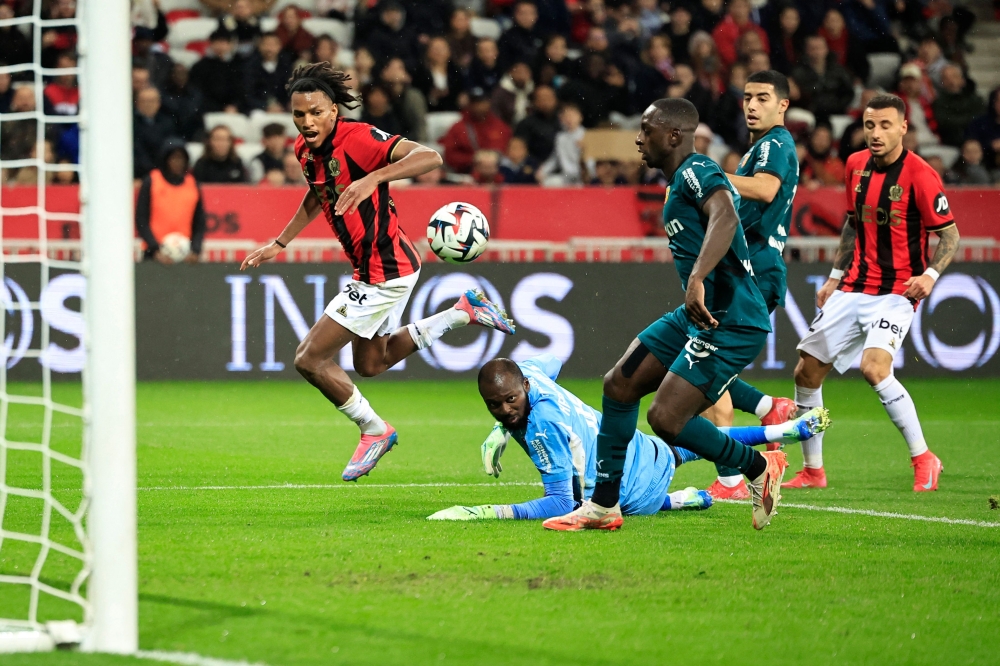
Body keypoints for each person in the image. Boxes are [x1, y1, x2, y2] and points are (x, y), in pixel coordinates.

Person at [239, 63, 515, 482]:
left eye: (315, 112)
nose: (307, 122)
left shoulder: (359, 138)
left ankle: (374, 430)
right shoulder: (303, 149)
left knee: (310, 359)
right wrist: (280, 242)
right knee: (371, 363)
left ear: (334, 110)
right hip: (381, 267)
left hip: (383, 271)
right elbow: (319, 196)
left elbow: (431, 156)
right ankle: (461, 312)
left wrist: (375, 179)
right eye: (299, 114)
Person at [544, 99, 788, 532]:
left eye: (647, 129)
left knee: (666, 419)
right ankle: (603, 506)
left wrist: (697, 277)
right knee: (619, 385)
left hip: (730, 319)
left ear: (674, 135)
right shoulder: (680, 181)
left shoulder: (697, 171)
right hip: (698, 315)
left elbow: (726, 215)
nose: (638, 139)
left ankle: (758, 466)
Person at [787, 94, 961, 492]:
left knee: (874, 368)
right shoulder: (854, 166)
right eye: (870, 126)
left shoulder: (920, 174)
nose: (876, 133)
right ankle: (813, 471)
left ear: (903, 127)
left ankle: (923, 458)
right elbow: (852, 223)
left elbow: (949, 233)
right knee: (806, 371)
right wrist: (834, 276)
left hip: (898, 291)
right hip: (853, 285)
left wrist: (931, 275)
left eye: (885, 125)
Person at [428, 355, 830, 522]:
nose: (505, 410)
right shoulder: (532, 371)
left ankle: (677, 499)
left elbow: (562, 502)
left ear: (525, 387)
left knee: (669, 461)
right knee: (694, 442)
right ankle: (780, 430)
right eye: (494, 406)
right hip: (636, 447)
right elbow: (548, 360)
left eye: (510, 401)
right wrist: (502, 428)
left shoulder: (542, 427)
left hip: (627, 491)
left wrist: (486, 512)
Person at [703, 70, 802, 500]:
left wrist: (713, 178)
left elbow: (764, 190)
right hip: (745, 271)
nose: (752, 105)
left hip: (755, 271)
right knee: (700, 368)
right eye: (747, 97)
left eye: (763, 97)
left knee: (702, 371)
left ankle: (732, 481)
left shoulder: (776, 145)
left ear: (783, 104)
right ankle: (768, 409)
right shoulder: (757, 149)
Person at [135, 139, 206, 264]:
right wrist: (155, 249)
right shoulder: (152, 181)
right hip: (155, 255)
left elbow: (199, 222)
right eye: (174, 158)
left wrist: (195, 250)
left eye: (181, 159)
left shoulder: (192, 184)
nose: (178, 163)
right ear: (165, 159)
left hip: (185, 255)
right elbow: (141, 219)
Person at [440, 87, 510, 174]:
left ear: (489, 103)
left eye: (482, 102)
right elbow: (449, 156)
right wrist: (473, 158)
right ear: (469, 104)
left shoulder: (500, 126)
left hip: (498, 174)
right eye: (475, 103)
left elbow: (511, 151)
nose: (479, 106)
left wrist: (494, 157)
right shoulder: (458, 128)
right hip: (468, 175)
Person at [791, 35, 854, 122]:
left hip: (837, 113)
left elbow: (848, 93)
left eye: (820, 48)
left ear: (826, 49)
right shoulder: (798, 72)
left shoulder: (839, 70)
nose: (817, 52)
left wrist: (838, 106)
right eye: (813, 48)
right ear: (807, 50)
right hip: (811, 115)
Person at [188, 29, 247, 113]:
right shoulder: (200, 66)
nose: (221, 46)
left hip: (235, 110)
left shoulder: (239, 64)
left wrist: (235, 105)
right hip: (208, 109)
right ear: (211, 44)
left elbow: (243, 89)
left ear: (231, 45)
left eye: (224, 42)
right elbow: (197, 92)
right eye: (218, 42)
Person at [133, 86, 180, 180]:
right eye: (144, 101)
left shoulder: (167, 123)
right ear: (137, 103)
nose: (148, 104)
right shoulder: (131, 123)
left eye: (152, 101)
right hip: (139, 173)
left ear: (159, 103)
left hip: (163, 173)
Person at [932, 64, 985, 148]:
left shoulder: (976, 100)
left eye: (954, 76)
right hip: (951, 143)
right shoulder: (939, 102)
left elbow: (981, 119)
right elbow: (944, 123)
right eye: (946, 78)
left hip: (976, 141)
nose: (951, 81)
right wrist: (969, 119)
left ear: (962, 79)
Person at [245, 32, 294, 113]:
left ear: (279, 46)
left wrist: (285, 105)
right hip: (259, 109)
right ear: (260, 46)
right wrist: (265, 106)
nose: (269, 49)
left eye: (273, 45)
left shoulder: (286, 66)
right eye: (266, 44)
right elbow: (248, 94)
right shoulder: (250, 66)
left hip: (282, 109)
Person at [514, 85, 560, 163]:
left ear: (556, 100)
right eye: (541, 99)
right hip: (535, 167)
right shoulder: (525, 124)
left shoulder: (564, 122)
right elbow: (518, 150)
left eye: (549, 98)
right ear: (534, 102)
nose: (546, 102)